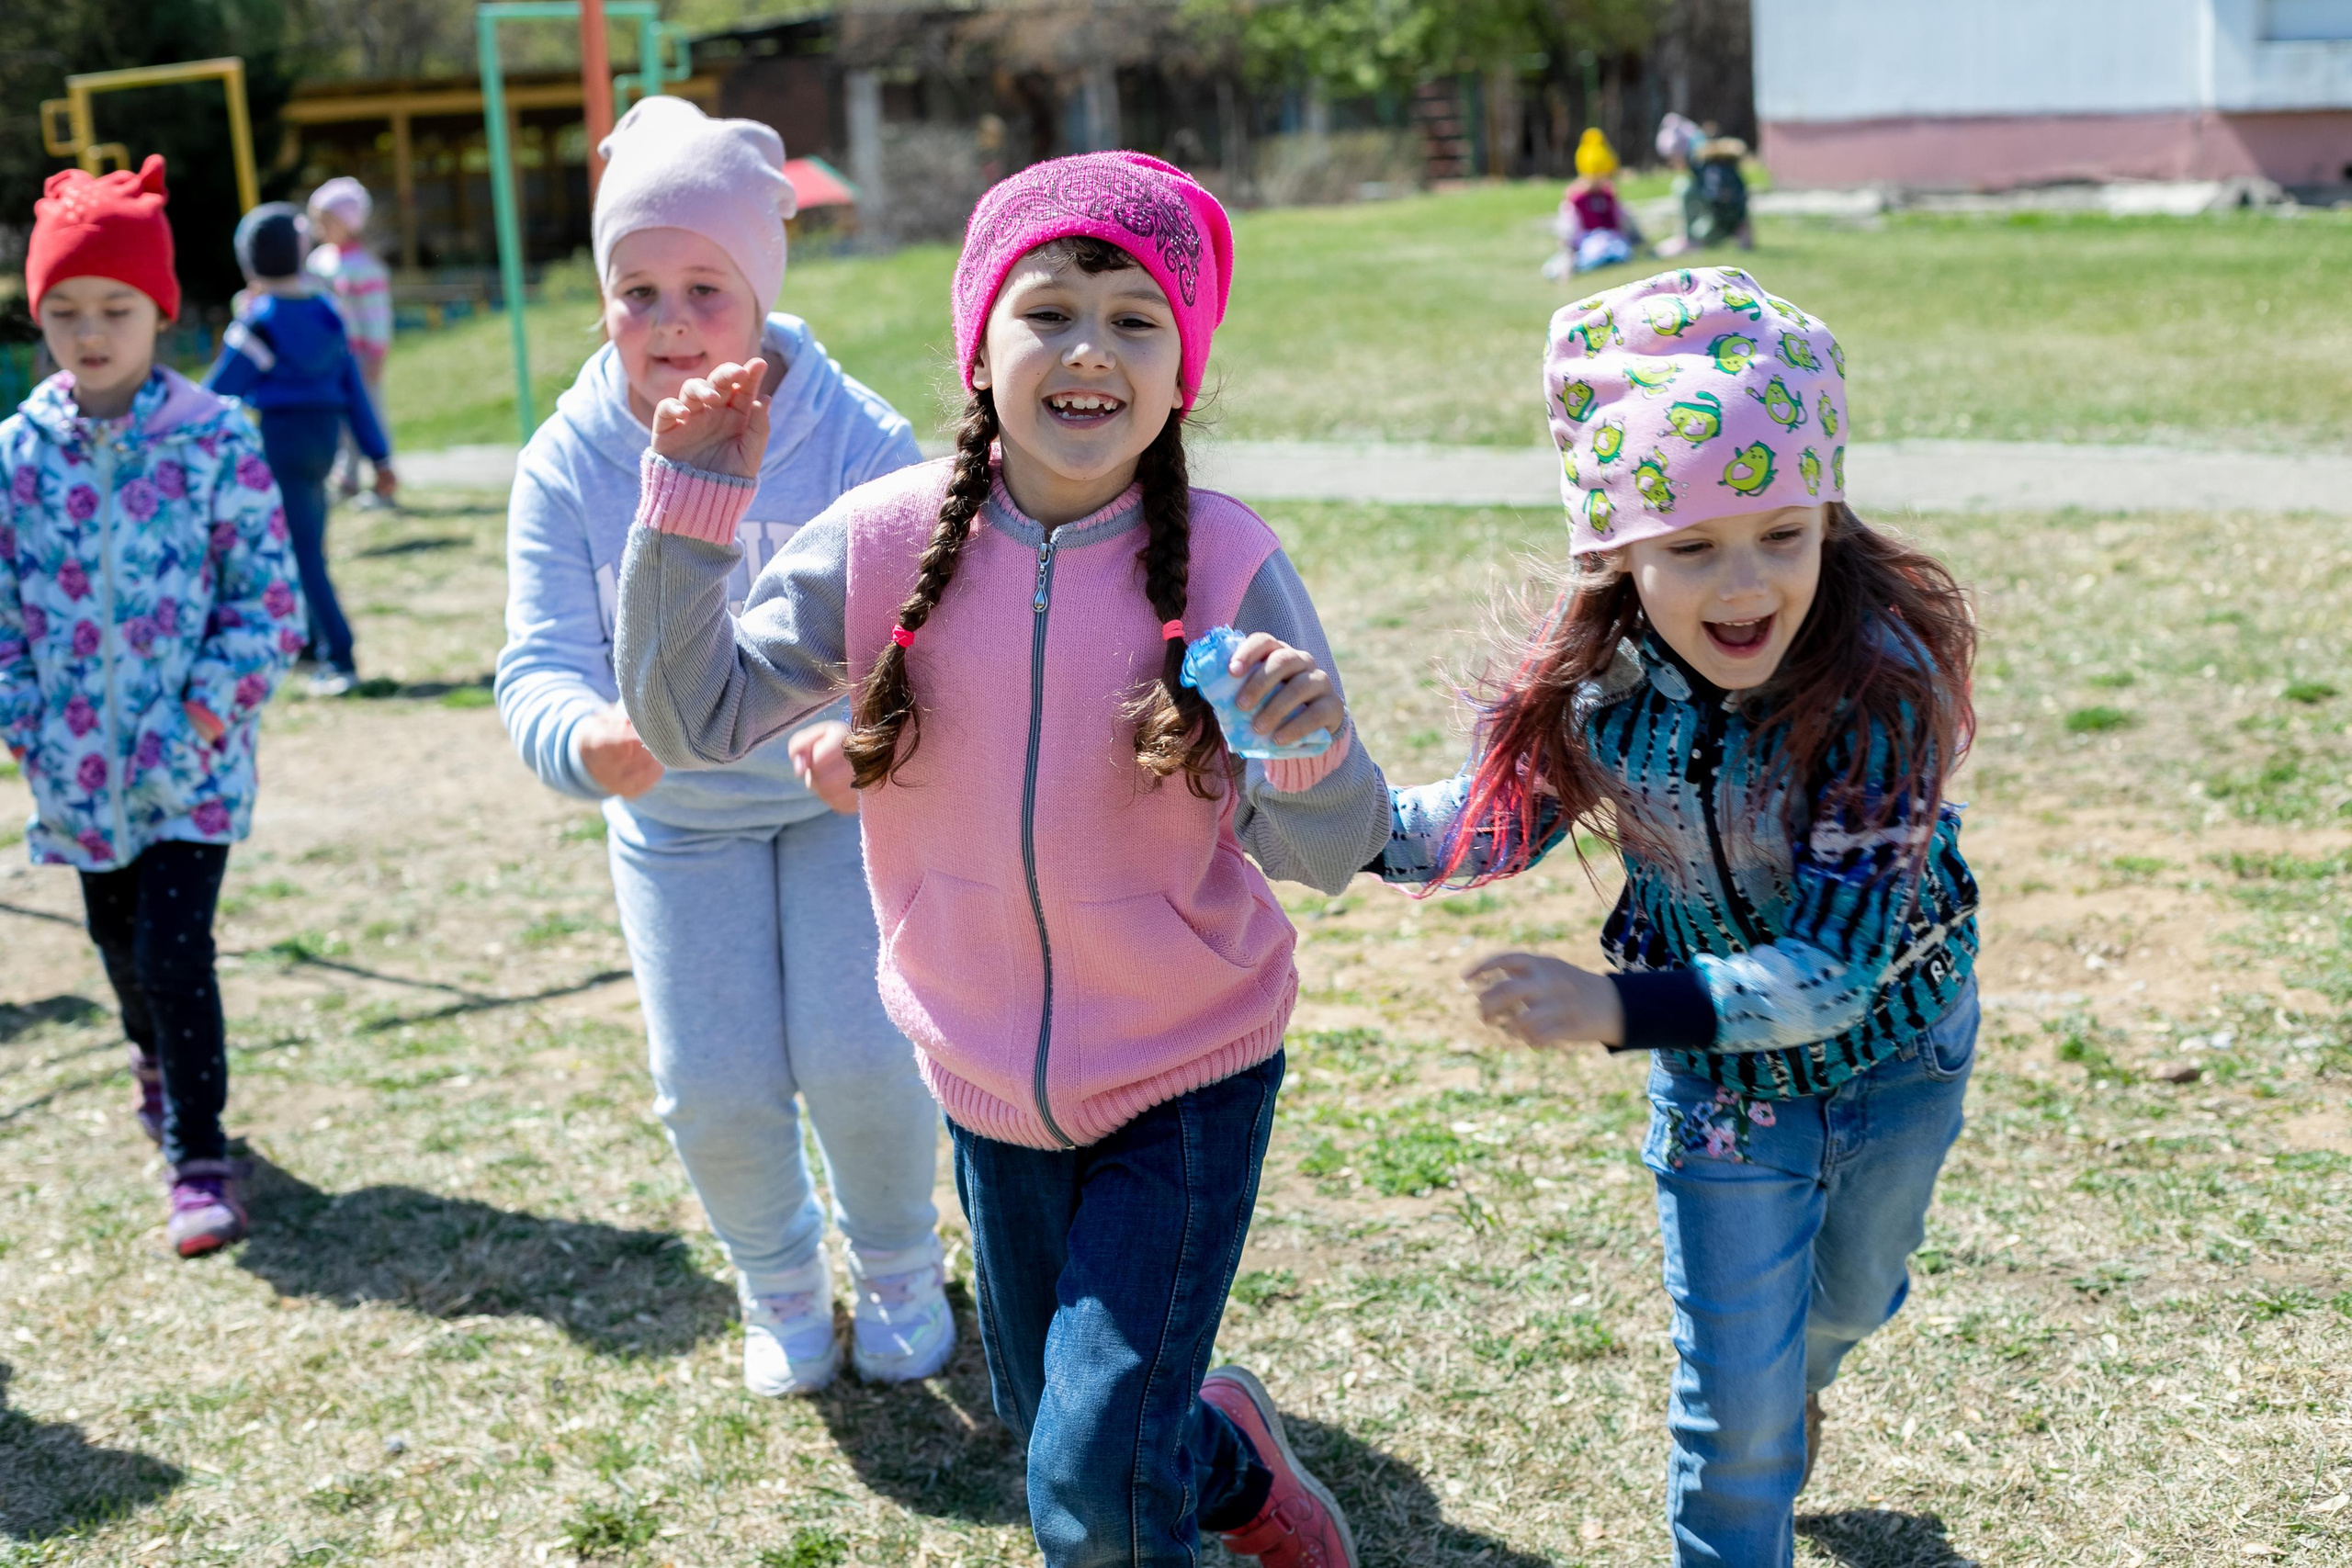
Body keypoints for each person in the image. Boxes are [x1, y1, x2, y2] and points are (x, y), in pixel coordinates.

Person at [613, 152, 1391, 1567]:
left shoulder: (1225, 561)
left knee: (1089, 1483)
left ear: (1181, 374)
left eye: (1135, 319)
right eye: (1047, 311)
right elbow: (688, 713)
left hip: (1186, 1073)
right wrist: (689, 510)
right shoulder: (884, 542)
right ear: (981, 344)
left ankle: (1174, 1464)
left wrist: (1309, 750)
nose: (1088, 348)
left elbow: (1330, 847)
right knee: (1072, 1444)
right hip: (986, 1083)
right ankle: (1229, 1461)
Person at [1379, 266, 1980, 1566]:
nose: (1745, 581)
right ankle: (1768, 1420)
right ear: (1620, 551)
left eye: (1782, 533)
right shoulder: (1598, 693)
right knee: (1735, 1421)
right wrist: (1310, 790)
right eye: (1692, 545)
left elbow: (1836, 967)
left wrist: (1615, 1006)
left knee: (1851, 1298)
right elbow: (1480, 822)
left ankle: (1805, 1367)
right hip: (1720, 1088)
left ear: (1829, 517)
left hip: (1900, 1058)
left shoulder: (1884, 684)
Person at [493, 95, 953, 1396]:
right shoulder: (566, 459)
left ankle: (901, 1262)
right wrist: (582, 735)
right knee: (712, 1081)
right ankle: (781, 1278)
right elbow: (536, 659)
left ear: (760, 294)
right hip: (675, 823)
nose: (670, 321)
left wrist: (869, 735)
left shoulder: (855, 435)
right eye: (635, 289)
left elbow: (922, 622)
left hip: (830, 811)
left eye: (706, 285)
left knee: (864, 1051)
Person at [2, 156, 307, 1256]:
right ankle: (149, 1055)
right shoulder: (17, 456)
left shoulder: (217, 438)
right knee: (119, 946)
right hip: (74, 768)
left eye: (115, 309)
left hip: (195, 767)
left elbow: (269, 602)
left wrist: (202, 724)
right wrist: (26, 718)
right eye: (65, 311)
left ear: (159, 312)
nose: (90, 333)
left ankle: (199, 1153)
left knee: (178, 950)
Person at [204, 202, 393, 698]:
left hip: (281, 443)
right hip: (324, 440)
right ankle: (308, 645)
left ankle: (340, 655)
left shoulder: (260, 321)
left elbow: (220, 390)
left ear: (249, 264)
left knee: (303, 552)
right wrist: (379, 456)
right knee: (305, 545)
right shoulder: (328, 314)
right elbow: (353, 387)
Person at [304, 177, 394, 503]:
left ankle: (384, 483)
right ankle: (348, 479)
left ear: (347, 222)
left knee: (369, 418)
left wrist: (376, 355)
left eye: (325, 220)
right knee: (341, 422)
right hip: (330, 359)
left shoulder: (365, 268)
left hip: (360, 358)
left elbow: (376, 317)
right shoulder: (317, 263)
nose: (319, 228)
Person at [1544, 128, 1642, 279]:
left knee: (1618, 250)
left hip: (1612, 240)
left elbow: (1622, 218)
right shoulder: (1577, 199)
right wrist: (1568, 249)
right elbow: (1568, 228)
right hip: (1588, 242)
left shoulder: (1608, 195)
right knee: (1595, 252)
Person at [1655, 114, 1752, 257]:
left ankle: (1688, 239)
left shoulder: (1703, 166)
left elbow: (1718, 198)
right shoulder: (1713, 163)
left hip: (1722, 225)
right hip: (1734, 222)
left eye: (1672, 157)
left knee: (1683, 187)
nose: (1671, 163)